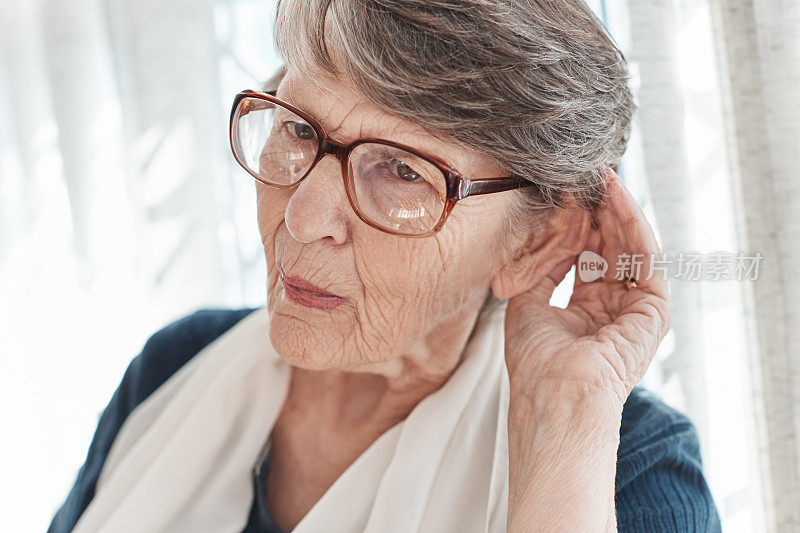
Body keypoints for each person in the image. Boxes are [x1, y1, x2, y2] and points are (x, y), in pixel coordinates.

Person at [49, 0, 722, 531]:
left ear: (538, 243)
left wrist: (570, 416)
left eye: (402, 171)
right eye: (299, 130)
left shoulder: (630, 471)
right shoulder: (176, 364)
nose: (301, 219)